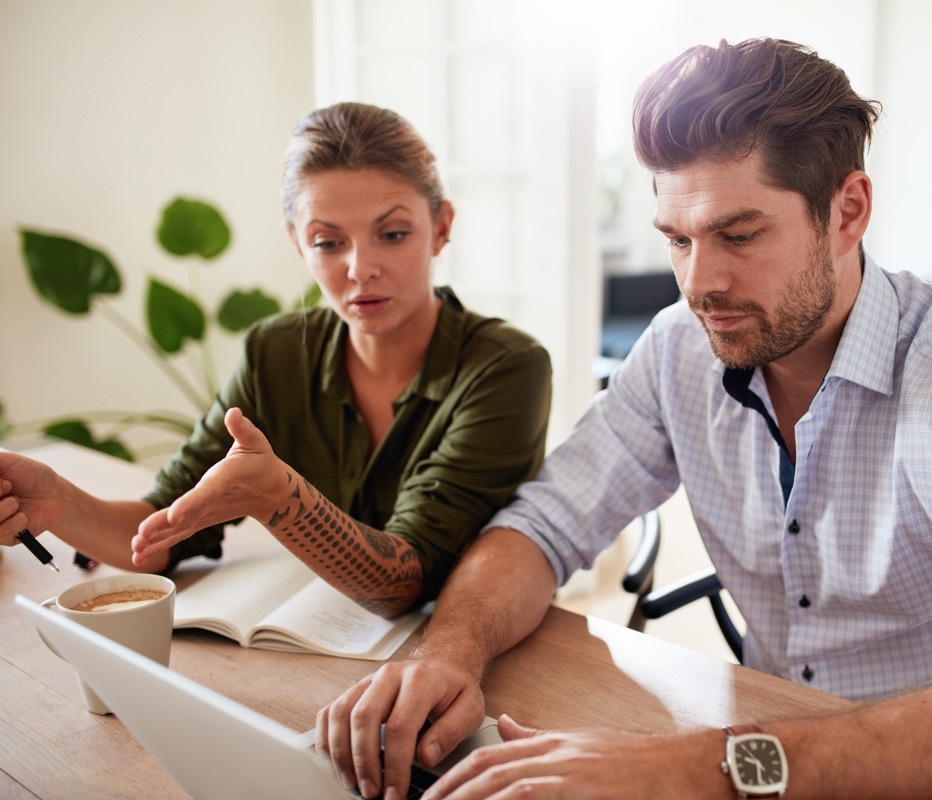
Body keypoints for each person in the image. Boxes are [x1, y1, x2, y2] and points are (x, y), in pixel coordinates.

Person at [316, 39, 932, 799]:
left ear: (848, 211)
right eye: (676, 239)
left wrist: (704, 766)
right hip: (778, 749)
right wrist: (450, 648)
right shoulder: (680, 348)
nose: (698, 283)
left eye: (738, 234)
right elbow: (545, 523)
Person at [0, 102, 552, 619]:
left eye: (393, 233)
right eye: (328, 242)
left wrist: (280, 499)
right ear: (297, 242)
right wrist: (58, 503)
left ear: (442, 227)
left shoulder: (508, 369)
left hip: (466, 650)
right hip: (320, 647)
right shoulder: (276, 352)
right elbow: (165, 527)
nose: (360, 268)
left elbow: (406, 582)